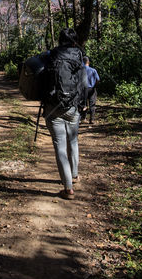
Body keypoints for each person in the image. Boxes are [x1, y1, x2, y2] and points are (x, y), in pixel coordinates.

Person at [42, 28, 86, 200]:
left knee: (60, 146)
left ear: (60, 41)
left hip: (53, 108)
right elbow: (83, 83)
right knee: (73, 140)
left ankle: (68, 188)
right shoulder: (79, 56)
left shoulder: (51, 55)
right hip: (73, 106)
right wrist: (82, 104)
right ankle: (75, 175)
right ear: (74, 41)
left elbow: (44, 81)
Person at [81, 56, 100, 124]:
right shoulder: (93, 70)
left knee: (84, 103)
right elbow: (98, 80)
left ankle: (83, 118)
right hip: (92, 88)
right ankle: (91, 119)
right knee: (92, 104)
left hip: (83, 89)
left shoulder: (81, 70)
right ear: (88, 62)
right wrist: (94, 86)